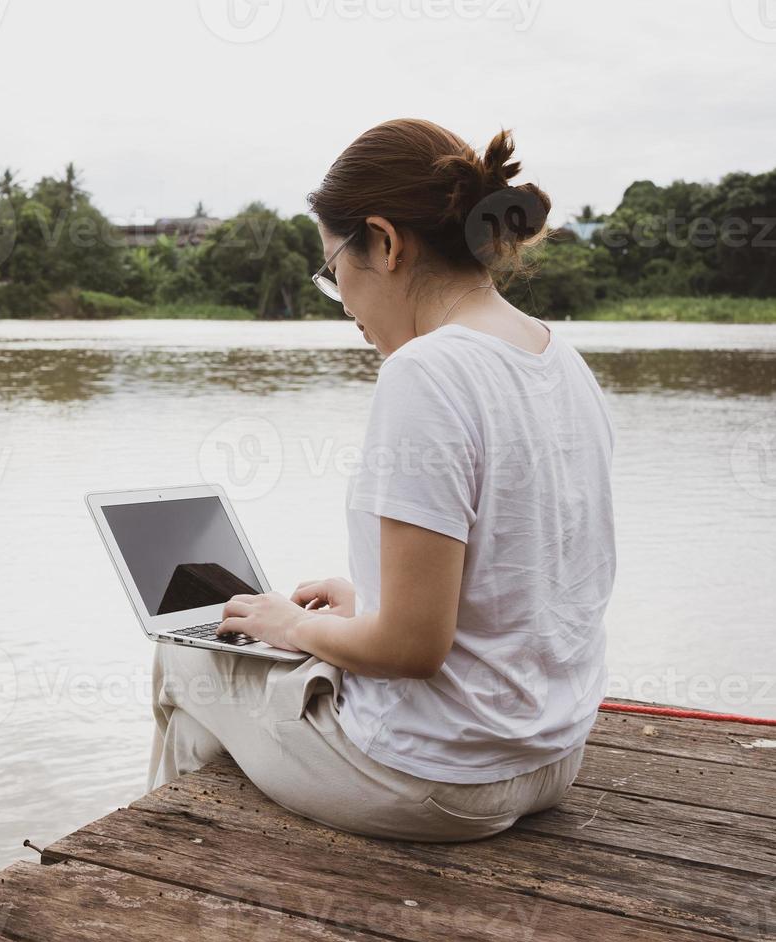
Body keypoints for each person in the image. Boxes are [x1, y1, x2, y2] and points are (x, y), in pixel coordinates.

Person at [149, 119, 616, 842]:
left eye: (333, 269)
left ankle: (172, 879)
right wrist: (362, 604)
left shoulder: (424, 373)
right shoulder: (560, 359)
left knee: (185, 659)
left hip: (434, 779)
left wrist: (293, 624)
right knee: (265, 657)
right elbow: (522, 585)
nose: (342, 304)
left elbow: (409, 649)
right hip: (553, 758)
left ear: (385, 242)